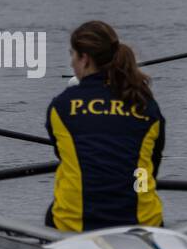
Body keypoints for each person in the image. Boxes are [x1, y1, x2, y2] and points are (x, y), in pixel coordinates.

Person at [46, 21, 165, 232]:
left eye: (72, 54)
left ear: (84, 59)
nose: (71, 62)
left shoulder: (62, 106)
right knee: (142, 181)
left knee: (57, 202)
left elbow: (66, 157)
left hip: (76, 225)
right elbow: (151, 168)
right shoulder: (147, 105)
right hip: (143, 223)